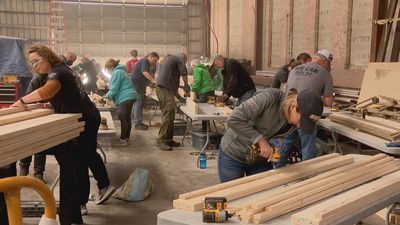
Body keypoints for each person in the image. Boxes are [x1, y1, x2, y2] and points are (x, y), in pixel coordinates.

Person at [11, 45, 115, 222]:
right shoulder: (61, 70)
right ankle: (96, 191)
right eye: (31, 63)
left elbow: (47, 91)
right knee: (86, 156)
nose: (34, 65)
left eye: (36, 60)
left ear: (47, 57)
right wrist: (40, 105)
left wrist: (22, 100)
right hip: (85, 116)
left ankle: (80, 204)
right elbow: (58, 97)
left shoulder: (57, 72)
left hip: (84, 119)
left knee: (79, 161)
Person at [218, 88, 323, 182]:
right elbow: (234, 119)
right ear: (293, 107)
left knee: (262, 197)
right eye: (300, 121)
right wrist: (260, 140)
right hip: (234, 154)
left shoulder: (293, 121)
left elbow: (278, 138)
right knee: (233, 196)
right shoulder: (269, 98)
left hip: (259, 160)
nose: (299, 126)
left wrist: (274, 149)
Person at [279, 50, 334, 167]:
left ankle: (277, 170)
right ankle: (306, 178)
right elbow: (329, 102)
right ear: (324, 62)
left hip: (289, 112)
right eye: (329, 64)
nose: (329, 68)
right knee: (307, 147)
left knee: (285, 144)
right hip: (305, 114)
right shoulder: (325, 73)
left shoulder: (294, 69)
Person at [155, 53, 190, 151]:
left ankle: (168, 139)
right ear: (184, 59)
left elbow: (173, 87)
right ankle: (161, 140)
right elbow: (184, 73)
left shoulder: (172, 67)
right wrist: (187, 85)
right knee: (169, 112)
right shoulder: (179, 58)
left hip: (165, 89)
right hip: (163, 89)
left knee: (171, 114)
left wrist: (180, 97)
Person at [18, 72, 48, 182]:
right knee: (27, 143)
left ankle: (38, 173)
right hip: (33, 114)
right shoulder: (38, 78)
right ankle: (23, 171)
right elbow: (29, 96)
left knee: (41, 144)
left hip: (46, 115)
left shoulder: (54, 76)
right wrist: (41, 102)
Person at [104, 59, 137, 147]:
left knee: (123, 117)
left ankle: (123, 140)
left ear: (111, 67)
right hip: (131, 96)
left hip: (125, 97)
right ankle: (126, 138)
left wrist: (105, 97)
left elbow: (114, 88)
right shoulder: (122, 71)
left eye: (108, 69)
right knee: (127, 118)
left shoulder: (116, 72)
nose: (108, 72)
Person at [131, 52, 159, 130]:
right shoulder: (144, 61)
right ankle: (138, 124)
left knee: (137, 104)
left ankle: (138, 121)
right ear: (150, 56)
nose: (154, 62)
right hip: (137, 85)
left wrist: (149, 82)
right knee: (138, 104)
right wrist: (154, 80)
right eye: (154, 60)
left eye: (156, 61)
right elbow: (145, 73)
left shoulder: (145, 62)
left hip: (138, 85)